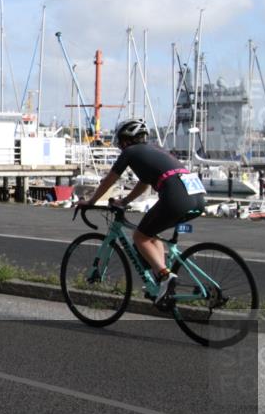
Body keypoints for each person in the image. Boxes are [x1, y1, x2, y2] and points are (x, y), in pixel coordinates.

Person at [79, 118, 206, 307]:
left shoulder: (130, 152)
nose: (120, 145)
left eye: (120, 141)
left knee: (140, 237)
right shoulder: (155, 150)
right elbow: (144, 183)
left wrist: (91, 201)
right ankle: (162, 279)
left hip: (177, 196)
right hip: (197, 196)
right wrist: (125, 201)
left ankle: (165, 276)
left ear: (126, 140)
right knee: (151, 235)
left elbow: (110, 179)